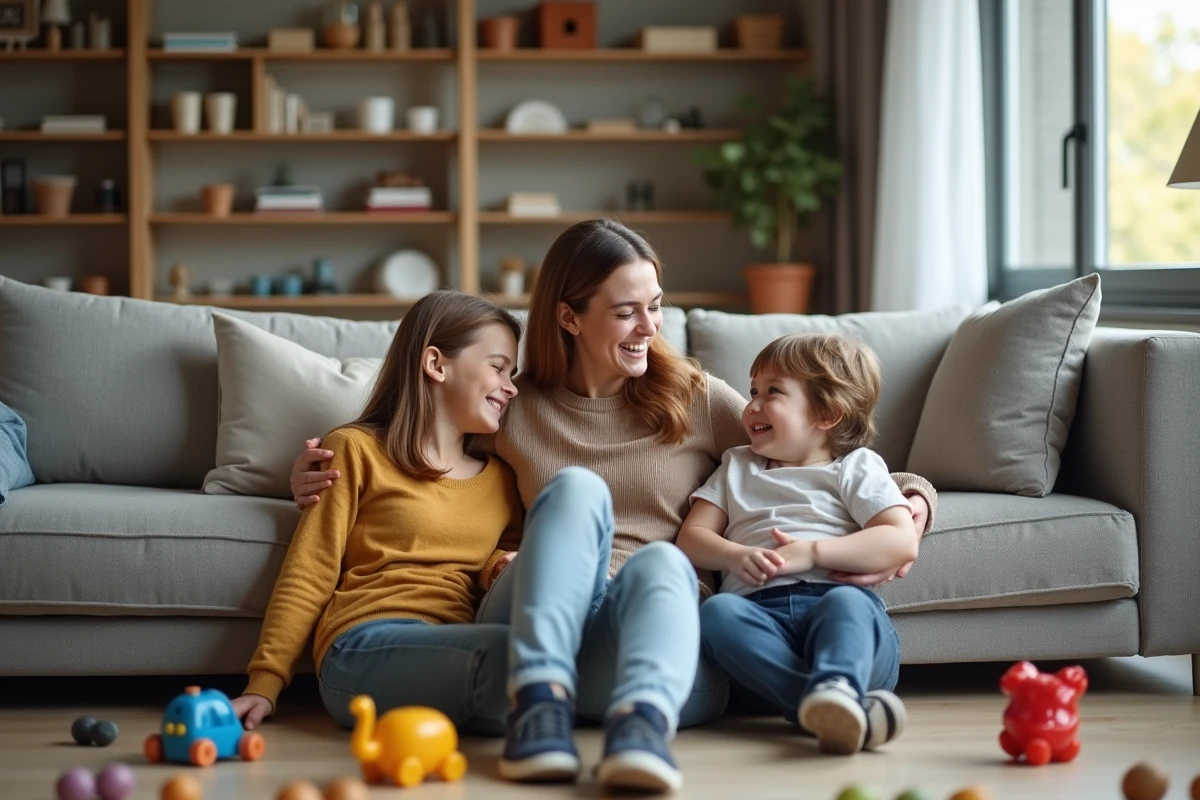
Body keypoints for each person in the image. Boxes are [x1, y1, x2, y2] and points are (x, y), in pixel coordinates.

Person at [290, 219, 937, 793]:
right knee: (577, 490)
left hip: (656, 642)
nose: (650, 327)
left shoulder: (693, 397)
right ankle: (540, 708)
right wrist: (310, 471)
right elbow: (415, 443)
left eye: (655, 306)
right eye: (628, 312)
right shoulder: (513, 406)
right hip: (541, 622)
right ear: (569, 317)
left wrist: (913, 501)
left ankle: (640, 733)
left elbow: (817, 449)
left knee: (668, 562)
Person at [230, 292, 523, 735]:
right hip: (364, 641)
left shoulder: (501, 479)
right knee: (516, 656)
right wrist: (265, 682)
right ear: (436, 364)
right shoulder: (355, 449)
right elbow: (311, 569)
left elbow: (501, 559)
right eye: (498, 367)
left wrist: (497, 567)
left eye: (512, 373)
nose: (511, 386)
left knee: (530, 653)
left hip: (458, 641)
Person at [678, 332, 918, 756]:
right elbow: (691, 538)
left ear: (827, 413)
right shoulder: (737, 465)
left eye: (773, 392)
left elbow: (900, 540)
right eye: (753, 390)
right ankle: (827, 707)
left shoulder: (855, 467)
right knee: (716, 612)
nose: (752, 404)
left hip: (845, 628)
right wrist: (734, 555)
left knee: (847, 603)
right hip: (760, 626)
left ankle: (835, 688)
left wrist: (811, 552)